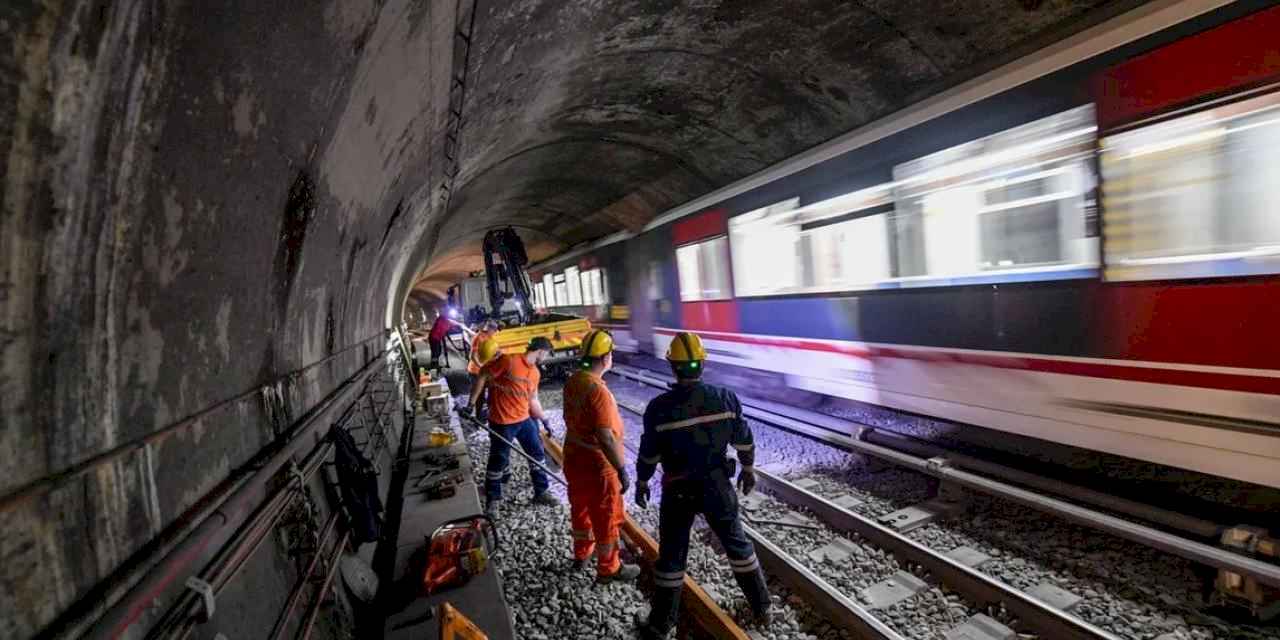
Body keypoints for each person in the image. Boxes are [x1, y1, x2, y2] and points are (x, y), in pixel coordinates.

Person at [635, 332, 771, 639]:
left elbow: (649, 454)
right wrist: (748, 470)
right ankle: (762, 607)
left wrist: (642, 481)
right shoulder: (725, 398)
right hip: (717, 486)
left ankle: (661, 625)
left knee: (671, 555)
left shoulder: (659, 408)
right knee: (737, 544)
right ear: (703, 363)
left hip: (678, 489)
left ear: (672, 365)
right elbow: (744, 441)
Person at [560, 329, 641, 582]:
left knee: (581, 510)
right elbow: (606, 436)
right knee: (606, 517)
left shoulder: (575, 381)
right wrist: (621, 469)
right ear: (605, 358)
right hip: (598, 464)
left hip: (574, 457)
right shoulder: (598, 391)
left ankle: (582, 554)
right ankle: (609, 568)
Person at [463, 336, 559, 517]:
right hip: (501, 421)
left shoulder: (535, 373)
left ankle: (541, 491)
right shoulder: (509, 361)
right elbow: (483, 374)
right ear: (540, 351)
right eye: (546, 354)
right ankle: (494, 499)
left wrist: (545, 420)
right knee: (498, 460)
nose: (546, 357)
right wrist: (471, 404)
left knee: (537, 453)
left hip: (524, 420)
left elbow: (533, 400)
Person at [467, 320, 502, 419]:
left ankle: (486, 415)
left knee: (492, 392)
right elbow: (472, 356)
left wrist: (498, 353)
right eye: (494, 330)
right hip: (475, 371)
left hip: (485, 371)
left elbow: (494, 350)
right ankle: (477, 416)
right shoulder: (478, 338)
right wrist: (481, 366)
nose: (495, 333)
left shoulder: (490, 337)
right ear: (489, 329)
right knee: (479, 395)